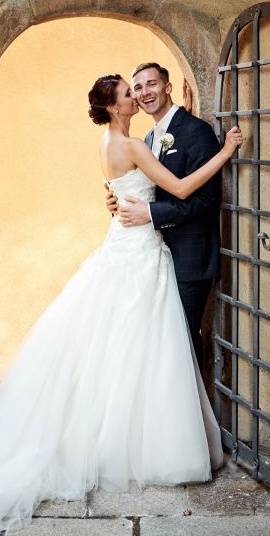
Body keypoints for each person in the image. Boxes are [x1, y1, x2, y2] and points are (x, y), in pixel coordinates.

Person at [0, 74, 243, 533]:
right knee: (142, 349)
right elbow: (182, 189)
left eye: (140, 88)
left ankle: (116, 441)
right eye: (129, 93)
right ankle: (139, 445)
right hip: (139, 253)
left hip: (129, 248)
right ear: (113, 107)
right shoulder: (133, 145)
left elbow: (134, 190)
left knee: (121, 349)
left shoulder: (117, 141)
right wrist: (225, 153)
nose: (136, 96)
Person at [107, 62, 221, 371]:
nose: (145, 92)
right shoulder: (147, 138)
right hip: (156, 256)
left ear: (167, 87)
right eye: (138, 87)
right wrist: (116, 201)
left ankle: (194, 414)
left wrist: (151, 213)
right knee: (160, 341)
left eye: (152, 84)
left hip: (190, 256)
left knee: (181, 341)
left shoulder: (196, 130)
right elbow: (149, 188)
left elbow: (208, 199)